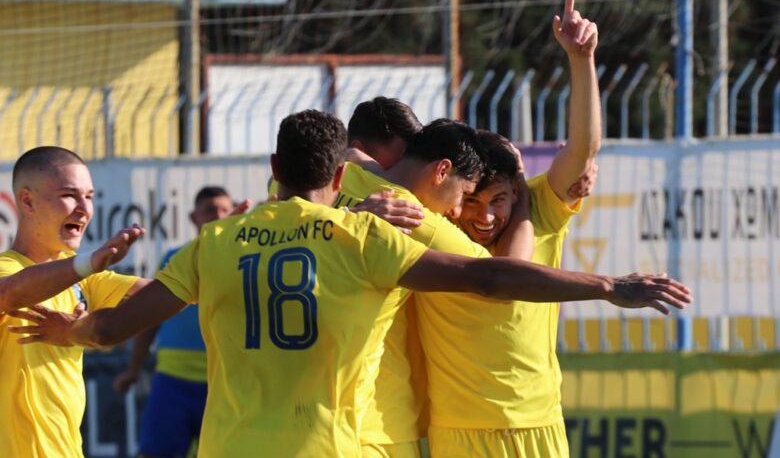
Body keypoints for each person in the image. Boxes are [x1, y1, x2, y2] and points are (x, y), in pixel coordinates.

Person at [9, 110, 691, 458]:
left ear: (273, 167)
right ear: (338, 177)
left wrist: (75, 330)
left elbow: (114, 326)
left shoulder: (215, 242)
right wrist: (607, 286)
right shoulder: (360, 238)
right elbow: (487, 278)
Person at [418, 0, 603, 455]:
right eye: (472, 201)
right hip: (458, 431)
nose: (484, 216)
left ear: (515, 190)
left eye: (498, 200)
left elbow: (582, 151)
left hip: (538, 426)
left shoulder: (539, 205)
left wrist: (581, 60)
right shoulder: (433, 219)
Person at [0, 146, 146, 457]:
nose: (84, 209)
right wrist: (88, 263)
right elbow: (8, 293)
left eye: (89, 196)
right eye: (69, 195)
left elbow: (167, 293)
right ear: (27, 201)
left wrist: (221, 247)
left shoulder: (83, 278)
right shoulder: (8, 268)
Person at [113, 186, 236, 458]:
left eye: (224, 210)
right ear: (193, 217)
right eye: (210, 210)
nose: (218, 216)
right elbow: (149, 317)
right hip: (172, 381)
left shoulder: (245, 259)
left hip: (223, 384)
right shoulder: (175, 259)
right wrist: (133, 369)